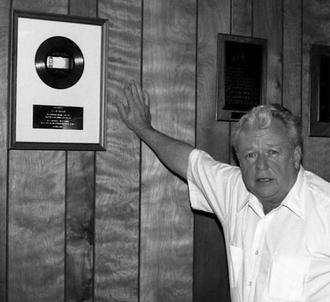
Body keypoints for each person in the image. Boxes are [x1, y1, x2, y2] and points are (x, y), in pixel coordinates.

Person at [116, 81, 330, 302]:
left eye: (273, 152)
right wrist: (142, 128)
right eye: (250, 155)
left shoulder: (325, 208)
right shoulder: (234, 188)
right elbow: (189, 162)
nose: (261, 166)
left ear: (295, 156)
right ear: (239, 160)